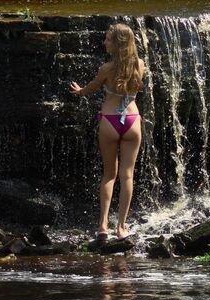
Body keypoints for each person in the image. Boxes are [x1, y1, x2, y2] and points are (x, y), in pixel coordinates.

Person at [70, 23, 145, 240]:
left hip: (110, 121)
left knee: (109, 175)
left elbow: (89, 90)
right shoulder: (139, 65)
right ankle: (121, 228)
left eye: (108, 39)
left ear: (118, 44)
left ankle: (103, 226)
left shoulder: (106, 69)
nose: (104, 42)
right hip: (132, 120)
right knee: (127, 176)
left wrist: (79, 90)